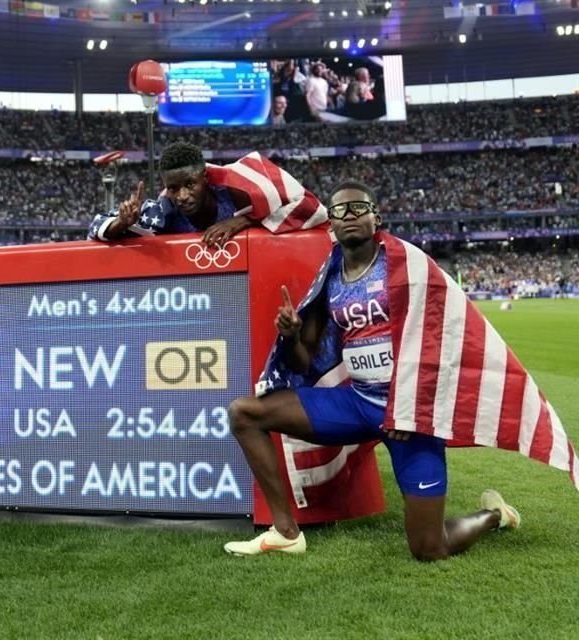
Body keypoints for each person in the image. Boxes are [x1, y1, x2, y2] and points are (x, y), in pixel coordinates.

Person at [223, 180, 524, 561]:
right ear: (330, 224)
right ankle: (285, 532)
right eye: (339, 212)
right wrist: (292, 335)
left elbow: (441, 341)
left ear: (375, 216)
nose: (348, 217)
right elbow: (302, 362)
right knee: (245, 413)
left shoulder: (407, 265)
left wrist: (408, 406)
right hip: (358, 402)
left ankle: (493, 514)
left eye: (357, 209)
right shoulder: (331, 277)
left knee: (430, 548)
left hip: (408, 418)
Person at [88, 142, 325, 248]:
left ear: (205, 177)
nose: (181, 195)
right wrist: (122, 223)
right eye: (173, 188)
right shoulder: (164, 211)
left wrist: (243, 221)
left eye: (190, 184)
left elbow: (310, 207)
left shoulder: (240, 191)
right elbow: (95, 227)